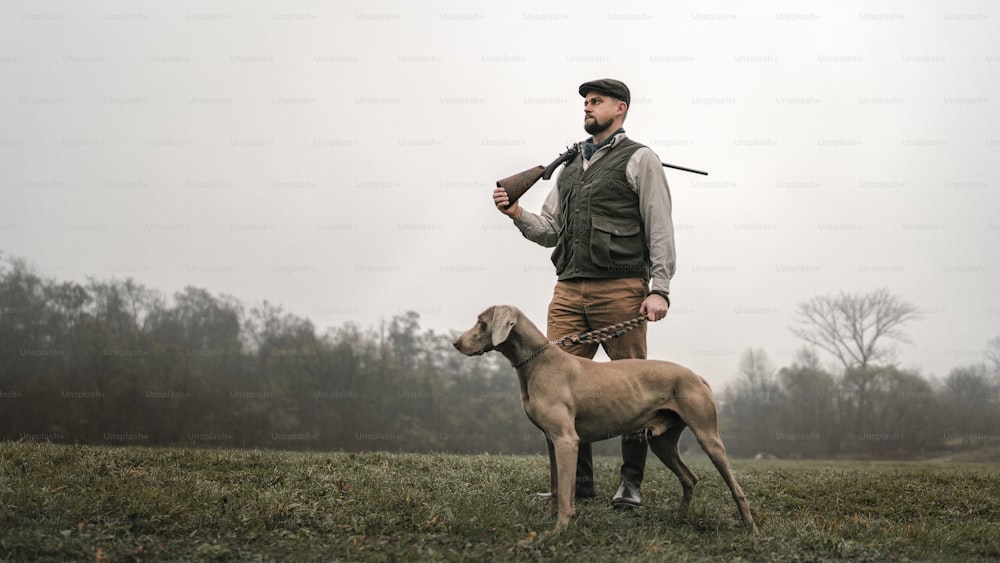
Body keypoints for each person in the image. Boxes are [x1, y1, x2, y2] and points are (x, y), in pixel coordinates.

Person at [492, 78, 676, 508]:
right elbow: (550, 231)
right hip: (569, 290)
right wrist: (517, 212)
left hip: (621, 288)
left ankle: (630, 485)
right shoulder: (571, 168)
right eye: (585, 103)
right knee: (557, 387)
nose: (587, 108)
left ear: (621, 108)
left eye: (597, 102)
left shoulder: (641, 159)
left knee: (635, 386)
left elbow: (661, 227)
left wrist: (660, 289)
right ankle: (575, 486)